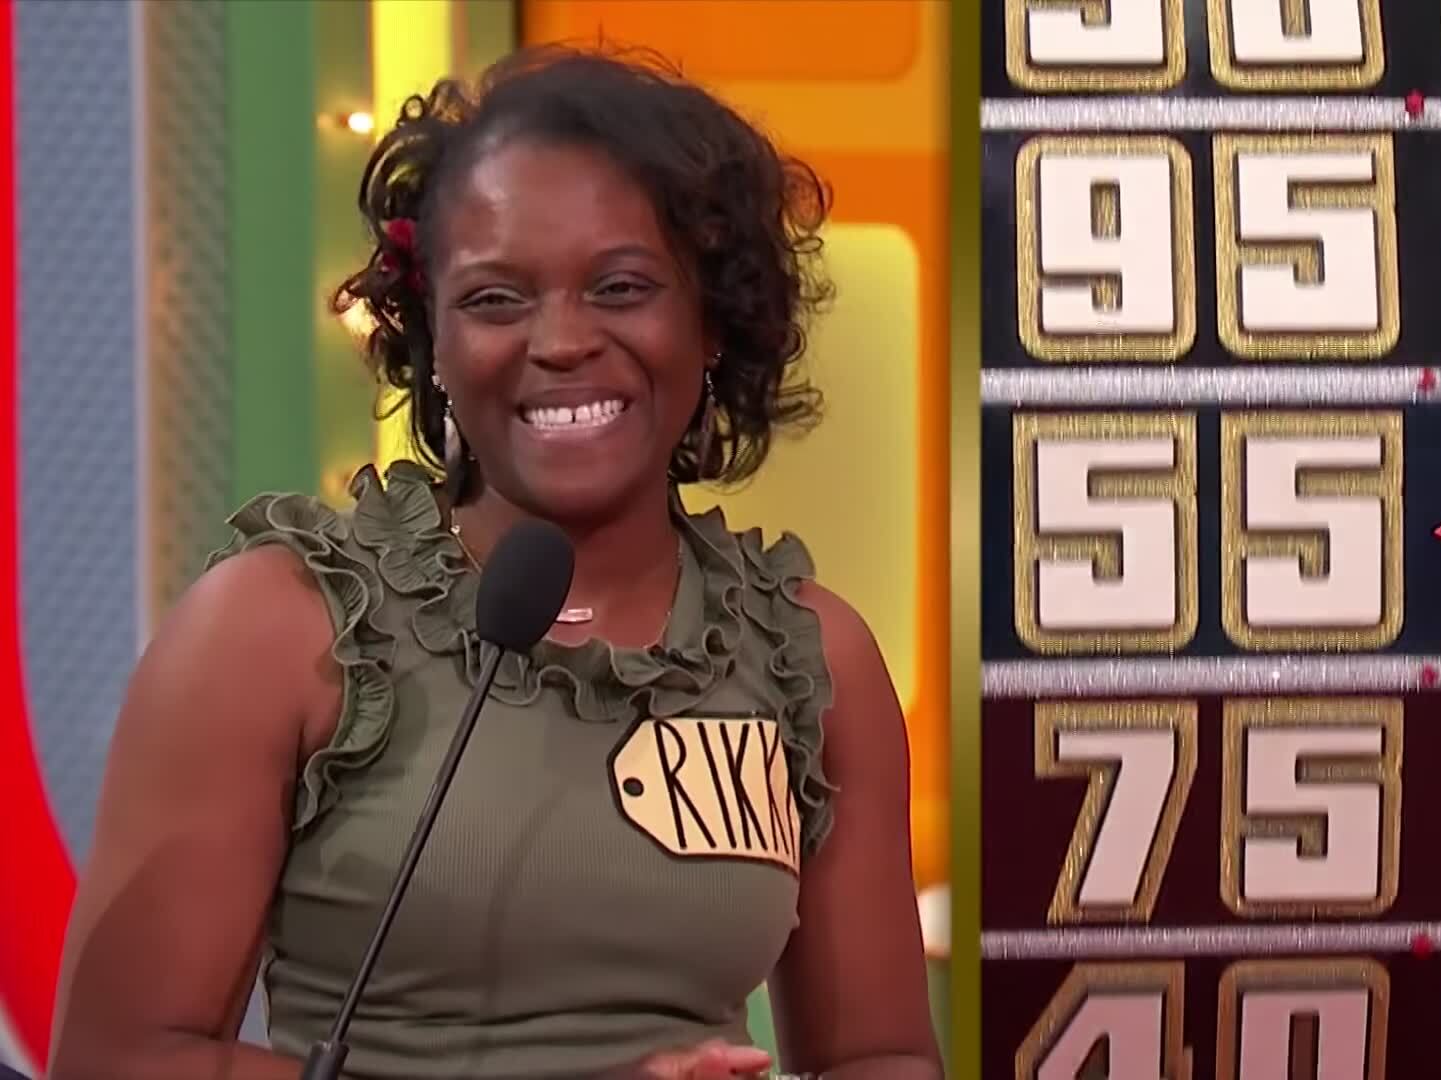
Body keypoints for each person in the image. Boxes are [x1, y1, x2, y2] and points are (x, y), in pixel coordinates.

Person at [48, 46, 940, 1080]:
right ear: (431, 342)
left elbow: (880, 1057)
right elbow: (119, 1058)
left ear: (712, 323)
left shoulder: (809, 658)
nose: (560, 341)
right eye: (495, 300)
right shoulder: (278, 626)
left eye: (621, 287)